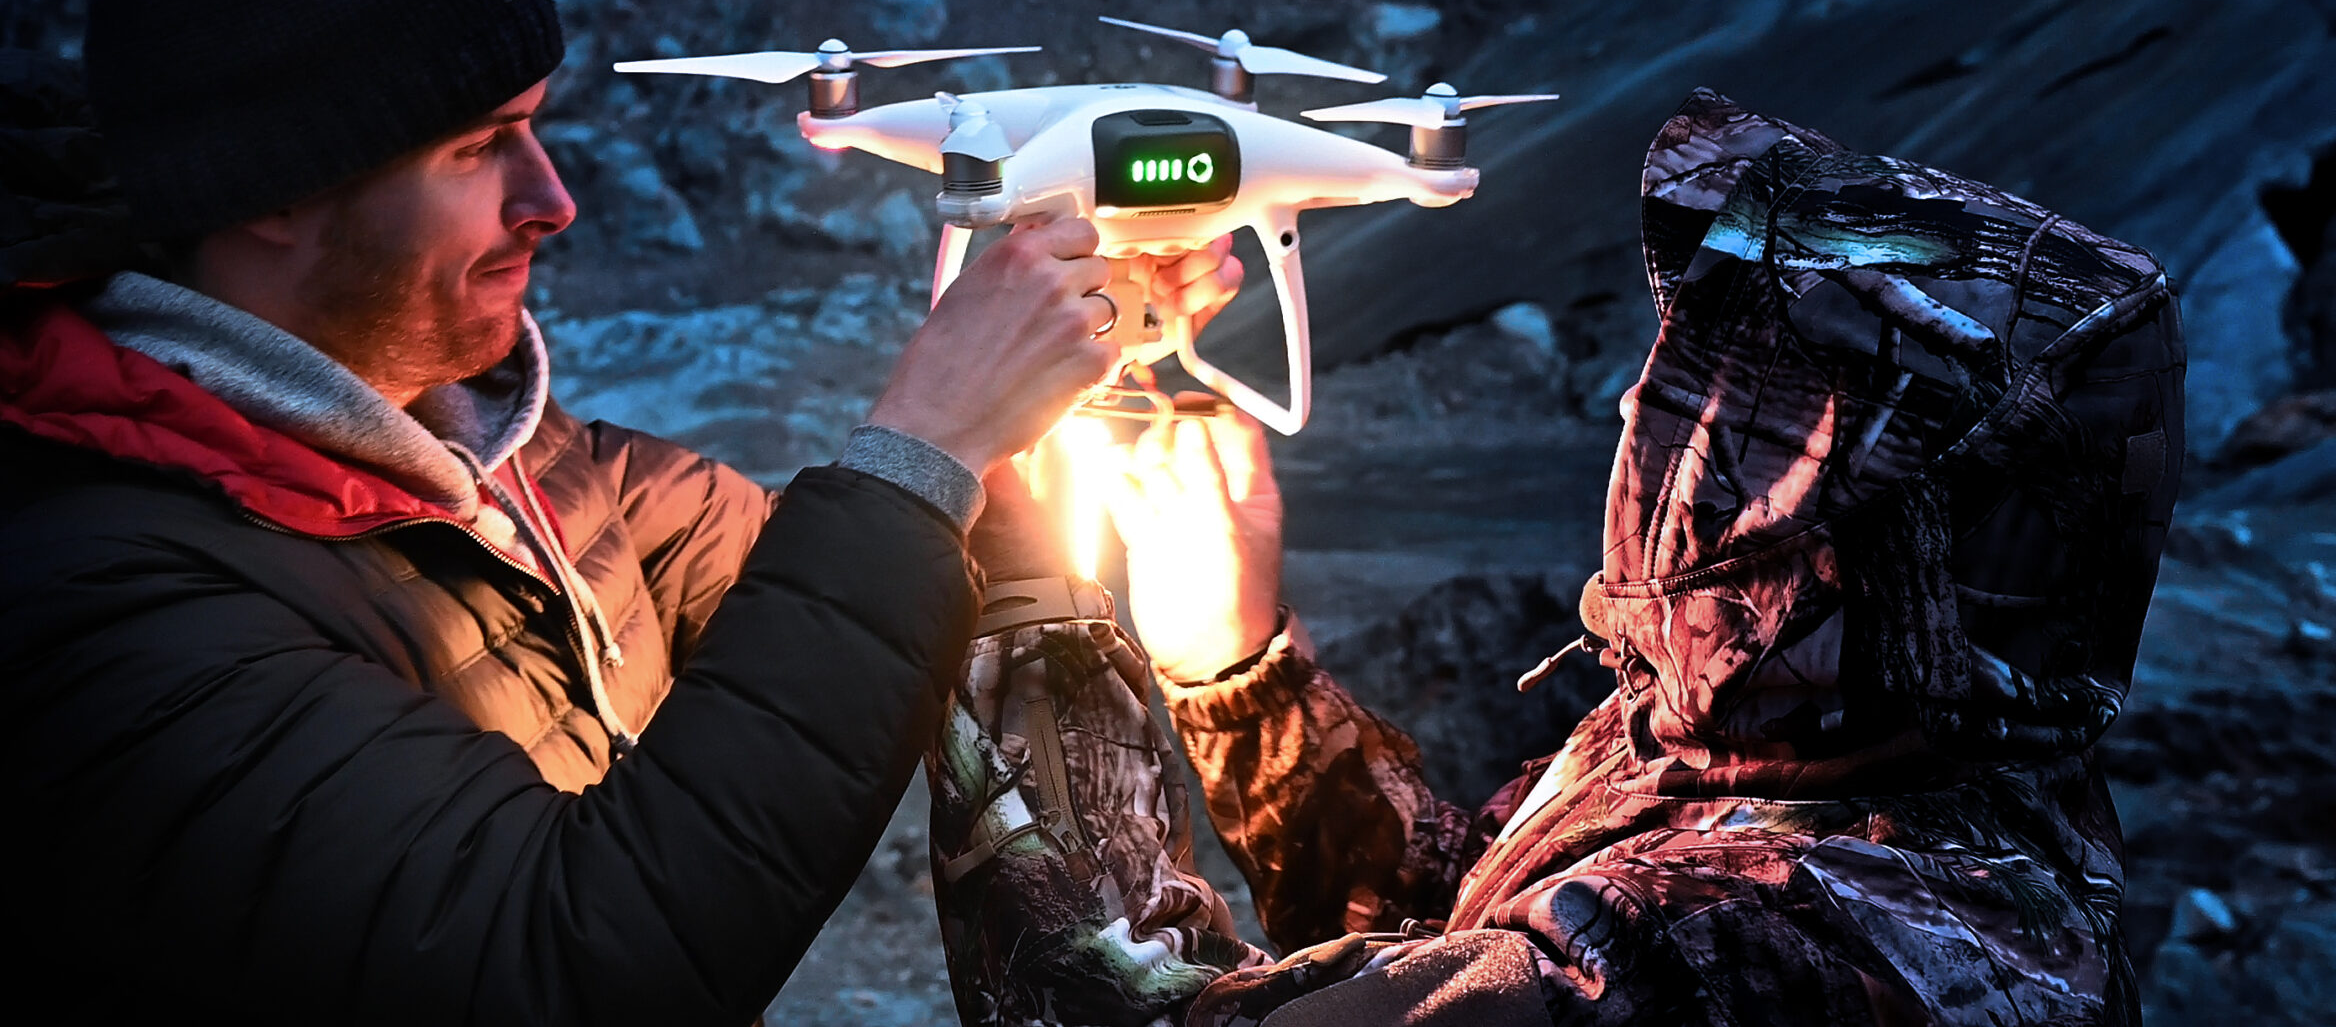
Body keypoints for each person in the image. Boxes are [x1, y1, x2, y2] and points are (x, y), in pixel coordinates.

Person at [0, 0, 1237, 1025]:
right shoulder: (99, 613)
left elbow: (841, 612)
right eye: (480, 144)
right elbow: (572, 962)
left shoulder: (501, 472)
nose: (551, 196)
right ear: (270, 193)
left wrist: (1038, 375)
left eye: (536, 126)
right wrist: (925, 435)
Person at [927, 89, 2185, 1026]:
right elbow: (1441, 932)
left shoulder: (1742, 959)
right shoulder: (1887, 771)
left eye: (1721, 395)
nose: (1645, 412)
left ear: (1831, 512)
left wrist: (1023, 593)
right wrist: (1234, 665)